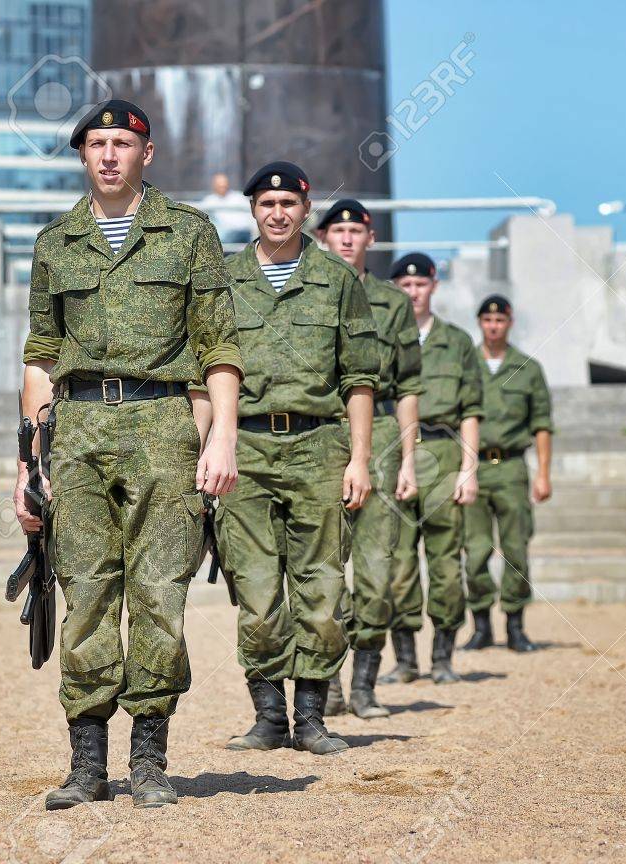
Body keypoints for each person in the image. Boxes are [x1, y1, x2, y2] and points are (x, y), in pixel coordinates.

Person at [15, 99, 243, 810]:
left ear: (147, 153)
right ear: (83, 156)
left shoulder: (189, 234)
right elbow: (39, 357)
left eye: (122, 142)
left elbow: (219, 346)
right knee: (84, 591)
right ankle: (87, 764)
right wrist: (28, 464)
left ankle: (149, 759)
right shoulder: (55, 243)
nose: (108, 154)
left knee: (158, 595)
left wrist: (224, 437)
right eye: (96, 143)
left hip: (161, 427)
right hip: (77, 429)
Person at [217, 161, 378, 756]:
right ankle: (267, 716)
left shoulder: (338, 280)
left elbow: (360, 378)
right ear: (253, 210)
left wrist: (359, 459)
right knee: (256, 592)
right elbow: (208, 369)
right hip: (248, 449)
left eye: (288, 203)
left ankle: (311, 716)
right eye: (266, 204)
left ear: (306, 210)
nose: (278, 213)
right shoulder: (223, 278)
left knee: (323, 589)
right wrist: (212, 445)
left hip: (318, 448)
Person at [313, 201, 422, 718]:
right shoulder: (308, 292)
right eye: (340, 230)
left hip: (378, 434)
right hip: (322, 430)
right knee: (324, 570)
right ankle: (328, 684)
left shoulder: (392, 303)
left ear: (370, 238)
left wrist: (407, 459)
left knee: (377, 571)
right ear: (323, 236)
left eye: (357, 230)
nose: (348, 239)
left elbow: (408, 387)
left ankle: (365, 685)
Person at [382, 253, 482, 684]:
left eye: (419, 284)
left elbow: (471, 410)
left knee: (445, 561)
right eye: (404, 285)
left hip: (442, 454)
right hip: (394, 450)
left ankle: (443, 658)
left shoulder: (457, 342)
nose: (412, 292)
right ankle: (405, 660)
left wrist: (469, 469)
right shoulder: (382, 337)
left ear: (433, 286)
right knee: (397, 562)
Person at [462, 295, 553, 652]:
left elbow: (542, 425)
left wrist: (543, 473)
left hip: (513, 467)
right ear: (480, 323)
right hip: (473, 466)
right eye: (487, 320)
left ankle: (516, 625)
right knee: (475, 549)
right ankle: (481, 625)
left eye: (499, 321)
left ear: (510, 323)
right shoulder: (465, 363)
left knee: (516, 548)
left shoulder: (527, 368)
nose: (493, 326)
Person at [199, 172, 255, 245]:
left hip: (243, 233)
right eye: (220, 185)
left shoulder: (239, 197)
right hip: (224, 237)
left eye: (224, 185)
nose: (222, 187)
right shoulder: (209, 201)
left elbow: (251, 216)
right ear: (214, 186)